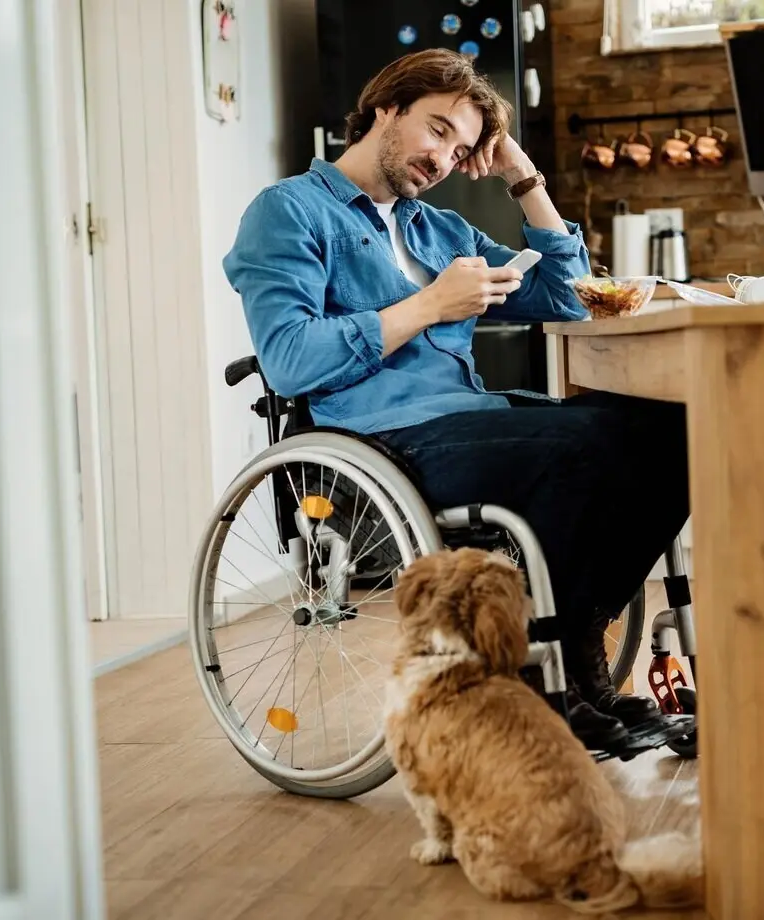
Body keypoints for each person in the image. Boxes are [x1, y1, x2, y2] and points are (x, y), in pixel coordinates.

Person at [221, 48, 690, 750]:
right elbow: (289, 361)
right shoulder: (288, 212)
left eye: (462, 147)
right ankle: (559, 682)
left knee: (673, 427)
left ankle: (580, 657)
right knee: (580, 449)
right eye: (437, 130)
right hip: (378, 439)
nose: (444, 158)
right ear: (386, 108)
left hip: (470, 419)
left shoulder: (436, 229)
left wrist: (521, 177)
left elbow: (566, 298)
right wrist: (430, 304)